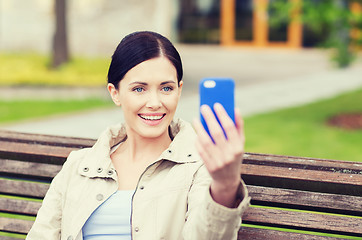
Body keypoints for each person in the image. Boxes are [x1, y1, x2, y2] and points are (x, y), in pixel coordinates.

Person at [26, 31, 251, 240]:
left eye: (166, 88)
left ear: (179, 90)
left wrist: (224, 185)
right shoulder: (79, 166)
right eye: (139, 89)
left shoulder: (200, 168)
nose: (154, 103)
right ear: (115, 93)